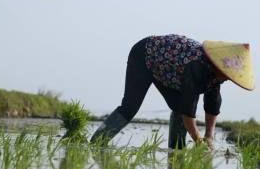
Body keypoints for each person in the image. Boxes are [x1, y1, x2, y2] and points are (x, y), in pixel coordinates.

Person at [91, 35, 255, 149]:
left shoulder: (216, 77)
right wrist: (199, 140)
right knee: (130, 107)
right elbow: (188, 111)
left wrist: (209, 137)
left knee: (178, 107)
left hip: (169, 70)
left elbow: (212, 105)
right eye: (227, 74)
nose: (228, 78)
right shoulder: (197, 67)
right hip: (144, 55)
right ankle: (96, 143)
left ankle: (176, 151)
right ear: (220, 65)